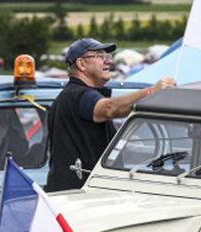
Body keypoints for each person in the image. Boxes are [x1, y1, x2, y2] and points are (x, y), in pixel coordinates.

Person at [46, 38, 175, 191]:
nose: (108, 61)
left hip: (79, 195)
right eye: (100, 56)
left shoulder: (73, 96)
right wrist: (151, 92)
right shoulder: (79, 95)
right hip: (81, 198)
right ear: (81, 64)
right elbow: (109, 108)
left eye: (107, 57)